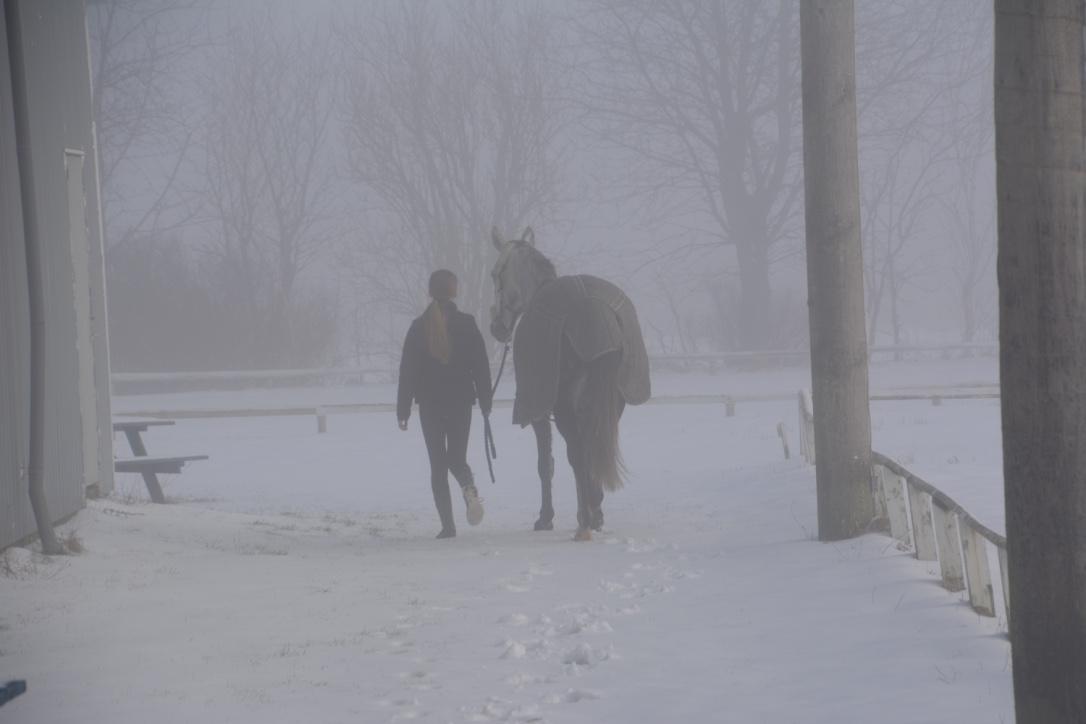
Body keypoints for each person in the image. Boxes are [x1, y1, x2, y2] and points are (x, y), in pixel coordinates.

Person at [397, 269, 493, 538]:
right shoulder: (467, 323)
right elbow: (481, 366)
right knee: (457, 458)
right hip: (461, 403)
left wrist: (403, 409)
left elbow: (408, 371)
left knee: (438, 466)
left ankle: (448, 527)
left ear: (431, 292)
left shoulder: (418, 327)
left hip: (430, 405)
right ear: (454, 292)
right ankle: (469, 490)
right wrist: (485, 399)